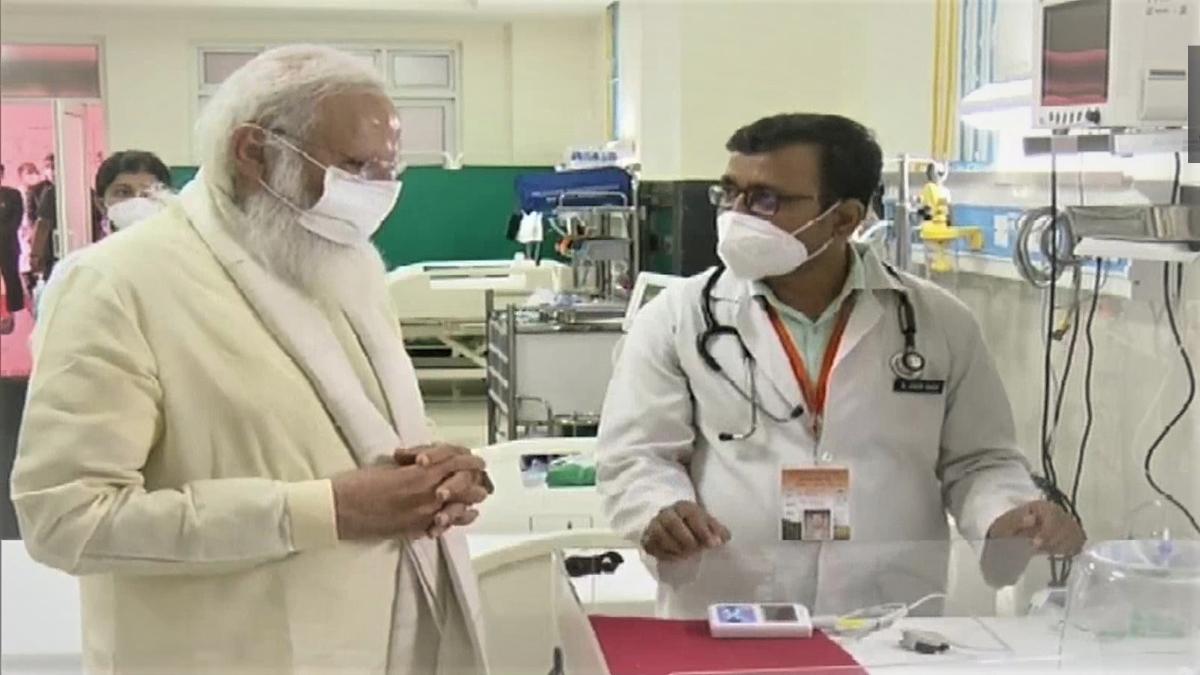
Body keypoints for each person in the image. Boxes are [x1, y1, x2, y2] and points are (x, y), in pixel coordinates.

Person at [12, 45, 492, 674]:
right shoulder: (120, 284)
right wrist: (326, 510)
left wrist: (436, 468)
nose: (376, 192)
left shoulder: (346, 265)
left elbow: (357, 431)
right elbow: (65, 518)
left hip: (379, 643)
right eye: (354, 166)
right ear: (254, 153)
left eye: (387, 168)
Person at [596, 113, 1085, 619]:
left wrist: (1008, 515)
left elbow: (979, 460)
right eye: (729, 193)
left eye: (765, 199)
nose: (738, 215)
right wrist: (660, 510)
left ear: (844, 219)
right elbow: (637, 454)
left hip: (889, 612)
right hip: (730, 605)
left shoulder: (938, 322)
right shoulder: (679, 318)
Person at [35, 151, 175, 315]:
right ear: (101, 204)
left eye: (148, 194)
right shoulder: (79, 271)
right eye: (123, 192)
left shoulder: (184, 264)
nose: (137, 201)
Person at [0, 164, 26, 326]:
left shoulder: (12, 195)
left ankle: (14, 308)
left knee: (10, 275)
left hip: (7, 244)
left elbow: (15, 221)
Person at [28, 153, 57, 280]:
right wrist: (36, 253)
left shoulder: (81, 190)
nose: (51, 170)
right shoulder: (40, 191)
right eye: (48, 167)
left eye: (54, 166)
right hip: (48, 245)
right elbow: (38, 222)